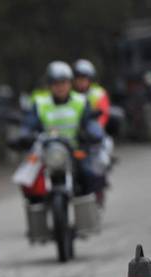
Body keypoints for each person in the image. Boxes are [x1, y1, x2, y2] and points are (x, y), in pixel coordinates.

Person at [21, 61, 105, 197]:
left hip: (75, 150)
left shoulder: (81, 102)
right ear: (49, 85)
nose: (60, 87)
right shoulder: (40, 104)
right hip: (46, 152)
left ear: (70, 83)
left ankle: (90, 205)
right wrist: (24, 135)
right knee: (27, 181)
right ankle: (36, 208)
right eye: (55, 83)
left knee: (89, 174)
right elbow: (29, 124)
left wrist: (93, 133)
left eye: (63, 82)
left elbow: (89, 122)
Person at [72, 59, 110, 129]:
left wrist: (96, 128)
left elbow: (103, 115)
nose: (81, 82)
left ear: (90, 80)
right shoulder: (66, 94)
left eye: (84, 79)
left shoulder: (99, 94)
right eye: (79, 78)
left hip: (92, 132)